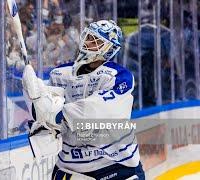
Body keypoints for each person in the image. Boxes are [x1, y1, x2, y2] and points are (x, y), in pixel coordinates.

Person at [22, 20, 145, 179]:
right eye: (88, 37)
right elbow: (46, 116)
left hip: (116, 164)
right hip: (72, 167)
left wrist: (56, 114)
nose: (89, 43)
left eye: (96, 41)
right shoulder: (60, 73)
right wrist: (34, 94)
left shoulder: (118, 76)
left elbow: (97, 111)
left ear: (109, 49)